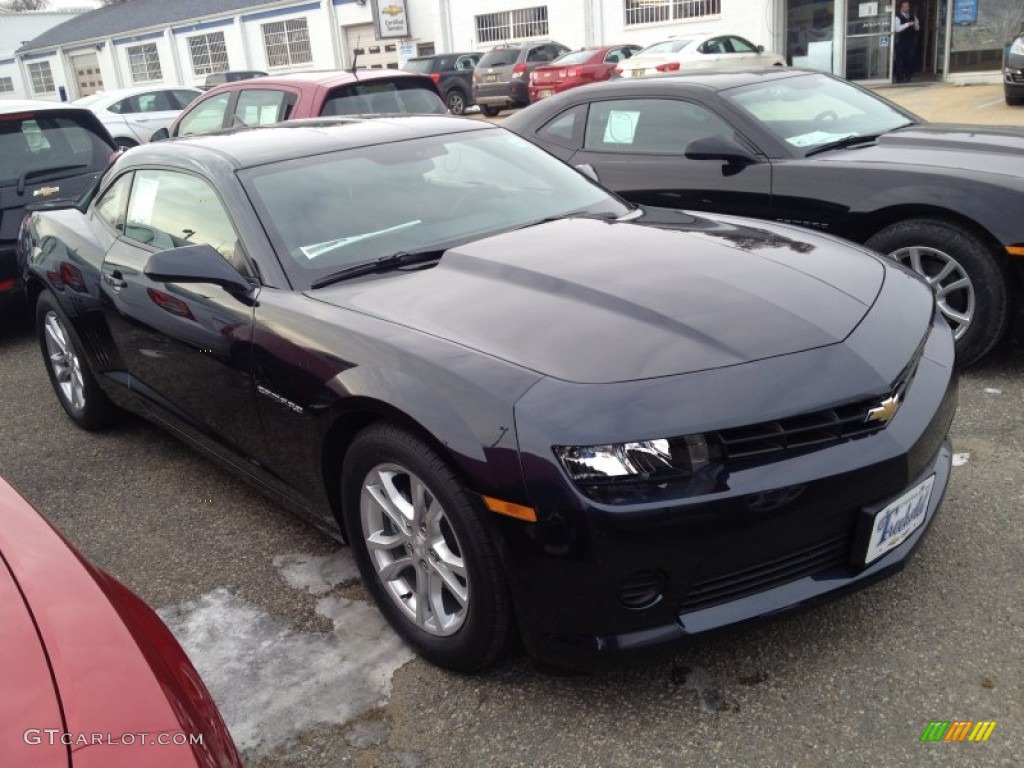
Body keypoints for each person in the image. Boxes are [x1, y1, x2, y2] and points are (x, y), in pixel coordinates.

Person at [893, 1, 920, 83]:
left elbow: (917, 27)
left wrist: (916, 25)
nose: (906, 8)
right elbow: (897, 29)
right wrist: (907, 24)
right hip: (901, 42)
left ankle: (908, 76)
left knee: (910, 58)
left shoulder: (912, 15)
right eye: (904, 7)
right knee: (900, 60)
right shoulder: (897, 16)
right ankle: (899, 77)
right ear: (901, 8)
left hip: (910, 42)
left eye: (907, 6)